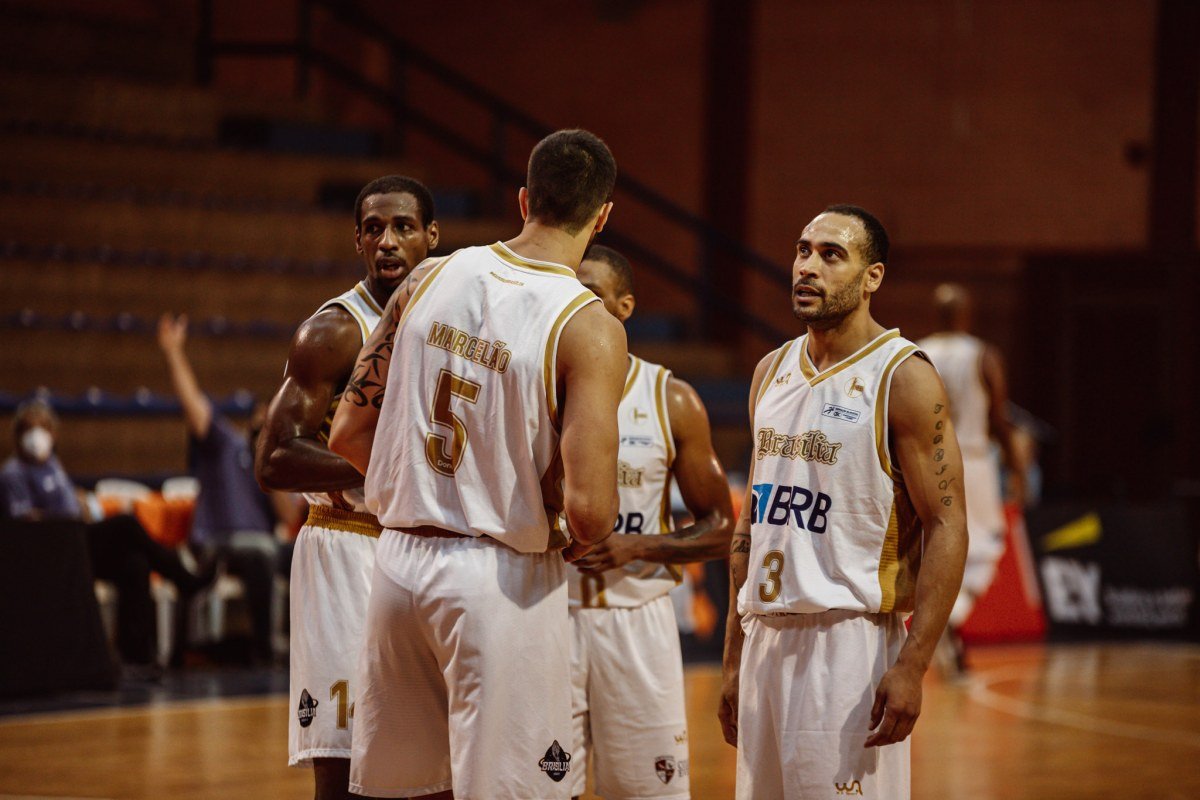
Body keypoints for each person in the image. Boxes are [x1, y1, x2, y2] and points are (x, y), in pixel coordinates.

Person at [329, 129, 626, 800]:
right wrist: (548, 518)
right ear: (603, 216)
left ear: (524, 199)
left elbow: (347, 431)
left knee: (400, 792)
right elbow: (591, 513)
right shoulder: (588, 325)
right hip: (498, 579)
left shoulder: (430, 276)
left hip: (397, 568)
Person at [718, 205, 967, 799]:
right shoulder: (769, 371)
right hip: (765, 640)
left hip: (848, 645)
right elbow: (753, 520)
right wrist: (734, 654)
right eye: (803, 250)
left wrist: (913, 663)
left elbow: (948, 523)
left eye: (832, 255)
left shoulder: (902, 376)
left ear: (872, 276)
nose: (808, 267)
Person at [254, 175, 440, 800]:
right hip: (345, 545)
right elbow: (275, 459)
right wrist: (381, 464)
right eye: (374, 229)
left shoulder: (446, 324)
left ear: (432, 237)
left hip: (418, 546)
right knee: (344, 758)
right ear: (357, 241)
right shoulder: (335, 329)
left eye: (403, 228)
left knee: (434, 757)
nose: (388, 242)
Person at [567, 244, 734, 800]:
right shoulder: (532, 388)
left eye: (590, 295)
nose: (576, 306)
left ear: (625, 306)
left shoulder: (672, 398)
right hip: (542, 615)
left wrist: (636, 547)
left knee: (648, 793)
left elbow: (720, 528)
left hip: (636, 621)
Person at [0, 399, 211, 677]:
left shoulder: (53, 465)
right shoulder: (14, 473)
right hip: (55, 547)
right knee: (125, 525)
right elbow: (25, 521)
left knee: (135, 564)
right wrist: (65, 516)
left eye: (43, 429)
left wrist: (83, 506)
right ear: (18, 436)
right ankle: (184, 579)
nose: (37, 437)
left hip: (77, 543)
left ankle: (136, 657)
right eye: (30, 430)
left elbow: (77, 504)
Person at [158, 315, 297, 665]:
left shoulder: (277, 460)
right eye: (263, 417)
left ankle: (303, 649)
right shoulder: (225, 443)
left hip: (260, 546)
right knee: (260, 554)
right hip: (219, 541)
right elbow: (194, 405)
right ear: (252, 418)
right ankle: (265, 653)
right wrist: (174, 352)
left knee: (303, 551)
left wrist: (271, 460)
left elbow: (290, 517)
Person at [918, 283, 1029, 674]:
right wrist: (1018, 468)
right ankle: (953, 616)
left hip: (926, 461)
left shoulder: (915, 352)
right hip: (974, 462)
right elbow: (999, 419)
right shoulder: (982, 355)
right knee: (984, 546)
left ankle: (936, 628)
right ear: (966, 315)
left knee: (932, 544)